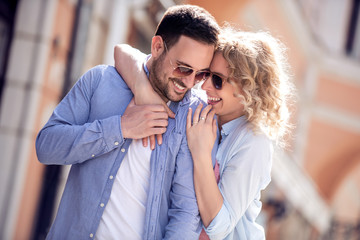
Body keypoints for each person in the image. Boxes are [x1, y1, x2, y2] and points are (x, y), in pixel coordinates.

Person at [35, 5, 219, 239]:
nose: (190, 82)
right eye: (183, 68)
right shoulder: (99, 81)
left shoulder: (195, 119)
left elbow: (185, 213)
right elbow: (46, 146)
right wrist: (120, 128)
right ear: (157, 46)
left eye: (201, 74)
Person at [114, 26, 294, 239]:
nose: (205, 85)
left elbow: (219, 226)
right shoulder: (206, 110)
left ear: (248, 88)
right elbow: (123, 53)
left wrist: (200, 153)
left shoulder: (254, 142)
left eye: (217, 79)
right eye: (206, 74)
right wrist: (143, 91)